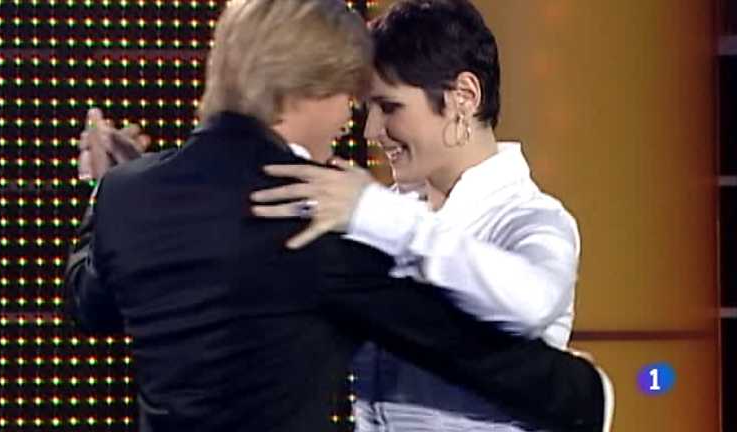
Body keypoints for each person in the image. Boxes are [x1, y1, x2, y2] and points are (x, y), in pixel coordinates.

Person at [66, 0, 611, 431]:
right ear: (305, 88)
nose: (361, 129)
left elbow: (92, 304)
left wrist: (107, 189)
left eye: (386, 107)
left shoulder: (132, 195)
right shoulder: (315, 215)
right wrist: (582, 394)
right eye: (353, 101)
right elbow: (443, 340)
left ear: (463, 97)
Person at [250, 1, 613, 431]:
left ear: (464, 97)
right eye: (368, 109)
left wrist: (380, 217)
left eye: (390, 107)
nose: (371, 131)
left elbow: (533, 301)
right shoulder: (380, 217)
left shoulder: (532, 220)